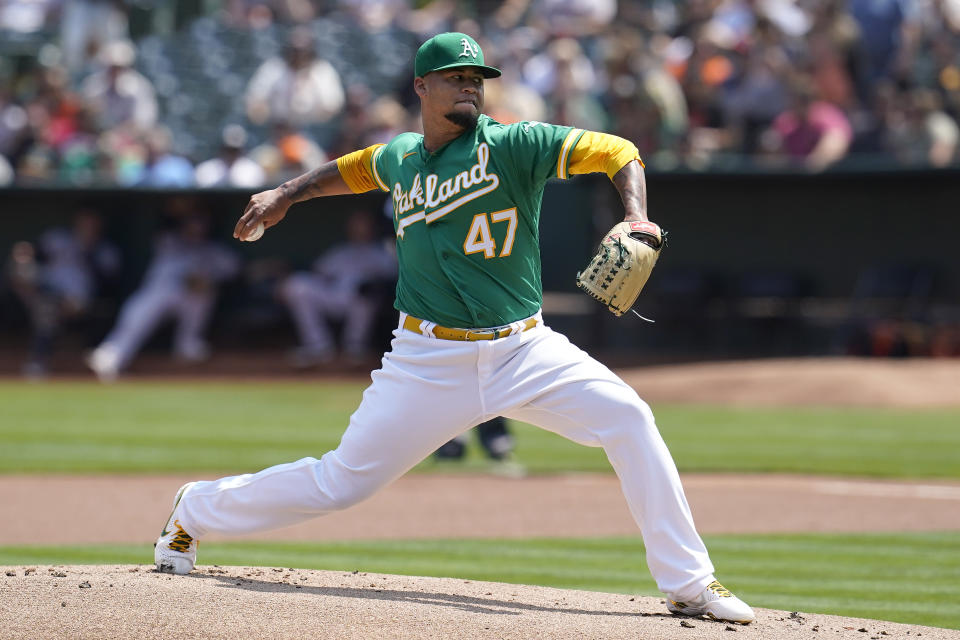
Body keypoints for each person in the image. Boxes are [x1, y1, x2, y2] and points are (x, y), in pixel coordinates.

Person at [154, 32, 755, 625]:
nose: (471, 86)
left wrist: (636, 214)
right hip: (426, 360)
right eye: (457, 77)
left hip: (525, 348)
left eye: (478, 78)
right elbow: (350, 169)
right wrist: (286, 194)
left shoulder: (517, 145)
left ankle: (689, 584)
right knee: (339, 483)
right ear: (422, 86)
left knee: (629, 418)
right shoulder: (401, 158)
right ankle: (195, 510)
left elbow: (618, 150)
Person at [86, 208, 239, 382]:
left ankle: (188, 344)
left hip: (190, 300)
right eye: (193, 224)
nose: (197, 229)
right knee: (142, 306)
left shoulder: (213, 251)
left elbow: (234, 269)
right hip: (159, 293)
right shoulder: (169, 241)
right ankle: (112, 354)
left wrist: (210, 280)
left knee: (203, 295)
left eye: (201, 224)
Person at [6, 209, 121, 378]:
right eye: (84, 221)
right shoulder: (57, 238)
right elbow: (35, 256)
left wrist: (88, 250)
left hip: (80, 300)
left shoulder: (105, 250)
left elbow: (107, 284)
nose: (87, 226)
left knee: (53, 308)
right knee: (44, 305)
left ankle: (42, 360)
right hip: (45, 292)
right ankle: (38, 362)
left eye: (92, 223)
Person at [277, 207, 396, 367]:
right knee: (297, 286)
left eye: (363, 224)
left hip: (359, 302)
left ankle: (354, 350)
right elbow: (318, 272)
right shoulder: (341, 251)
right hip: (334, 296)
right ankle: (318, 347)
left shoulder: (382, 254)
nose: (359, 228)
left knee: (365, 294)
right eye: (356, 224)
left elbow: (390, 281)